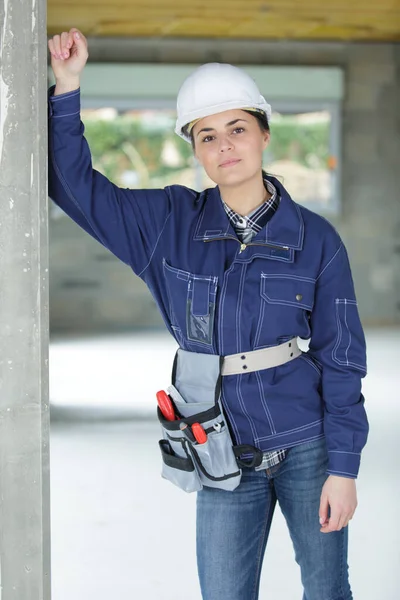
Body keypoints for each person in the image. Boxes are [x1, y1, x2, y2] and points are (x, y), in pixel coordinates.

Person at [47, 28, 369, 600]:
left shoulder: (316, 240)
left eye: (238, 129)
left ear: (265, 134)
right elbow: (74, 189)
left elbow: (342, 359)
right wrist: (67, 87)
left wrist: (343, 469)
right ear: (194, 149)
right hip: (220, 448)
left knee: (327, 590)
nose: (225, 146)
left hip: (307, 445)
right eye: (207, 135)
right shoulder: (166, 225)